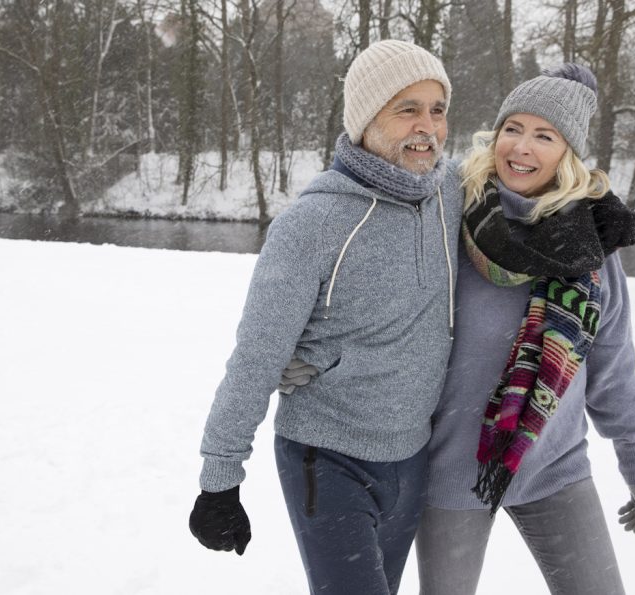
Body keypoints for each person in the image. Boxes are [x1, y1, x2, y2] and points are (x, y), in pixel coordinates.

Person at [188, 40, 464, 595]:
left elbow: (532, 178)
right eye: (407, 109)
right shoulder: (310, 225)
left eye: (437, 110)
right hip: (327, 455)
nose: (427, 127)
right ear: (366, 119)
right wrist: (219, 478)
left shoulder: (451, 192)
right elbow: (256, 359)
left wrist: (594, 209)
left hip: (414, 455)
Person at [411, 64, 635, 594]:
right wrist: (317, 351)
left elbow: (612, 364)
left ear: (568, 152)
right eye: (513, 128)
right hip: (452, 468)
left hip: (554, 466)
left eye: (544, 135)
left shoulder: (590, 245)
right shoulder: (449, 213)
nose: (521, 147)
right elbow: (381, 302)